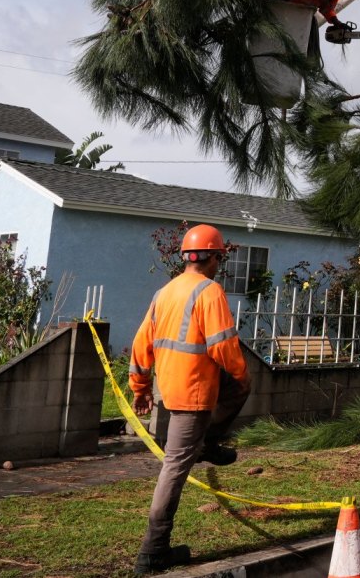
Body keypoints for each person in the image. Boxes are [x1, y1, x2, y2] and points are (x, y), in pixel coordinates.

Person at [129, 224, 252, 574]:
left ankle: (209, 443)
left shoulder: (165, 293)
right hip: (195, 396)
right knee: (174, 470)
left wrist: (141, 389)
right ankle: (152, 552)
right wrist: (241, 374)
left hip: (171, 391)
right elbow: (223, 346)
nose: (218, 263)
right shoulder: (209, 292)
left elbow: (140, 347)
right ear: (213, 257)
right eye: (219, 257)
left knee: (176, 464)